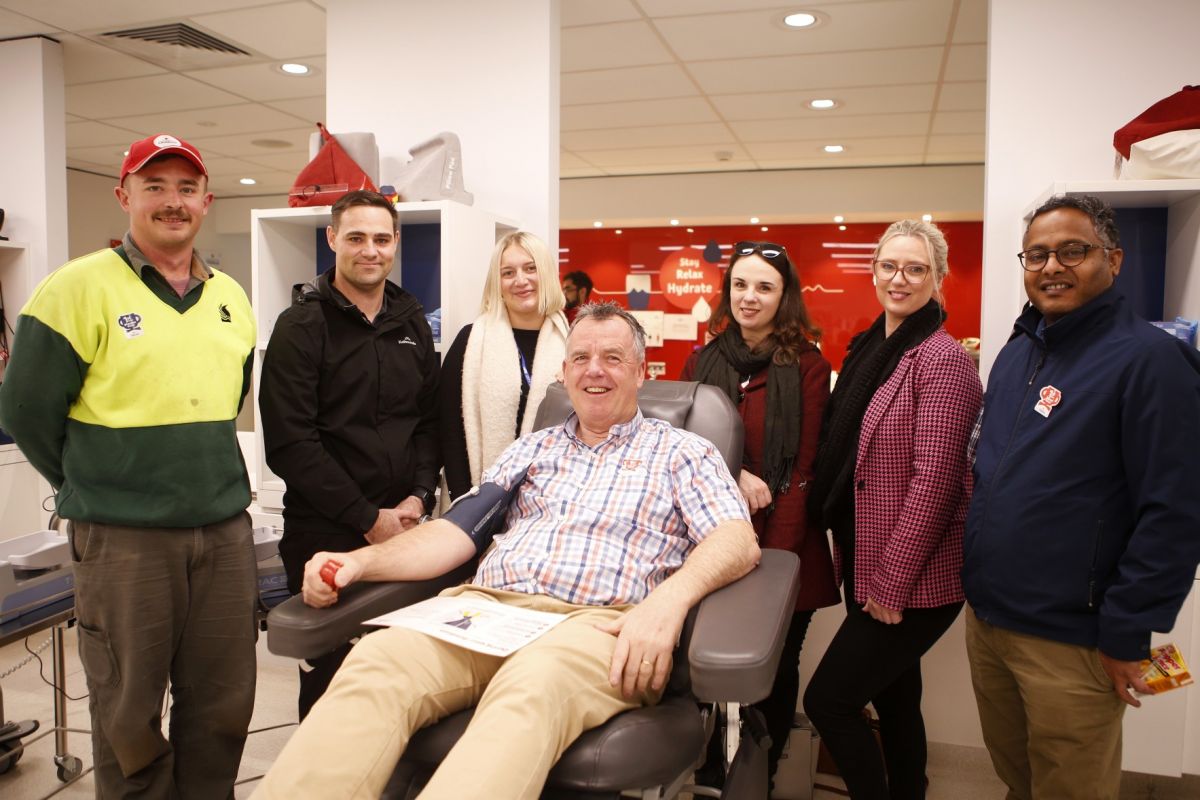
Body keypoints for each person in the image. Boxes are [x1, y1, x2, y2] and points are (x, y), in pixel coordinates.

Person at [251, 302, 760, 799]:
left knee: (531, 688)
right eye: (581, 358)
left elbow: (736, 539)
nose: (595, 371)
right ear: (564, 373)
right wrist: (360, 562)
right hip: (484, 611)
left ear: (641, 372)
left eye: (613, 358)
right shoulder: (531, 449)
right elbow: (454, 533)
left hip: (597, 625)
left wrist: (666, 606)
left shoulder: (682, 452)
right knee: (378, 662)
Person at [0, 134, 257, 798]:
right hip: (125, 540)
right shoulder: (75, 289)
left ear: (206, 200)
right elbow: (26, 413)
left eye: (185, 188)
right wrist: (96, 481)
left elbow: (233, 398)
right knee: (128, 713)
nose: (172, 202)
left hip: (224, 534)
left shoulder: (230, 297)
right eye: (154, 187)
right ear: (125, 196)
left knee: (224, 705)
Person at [963, 195, 1200, 800]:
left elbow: (1174, 512)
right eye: (1037, 254)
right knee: (1017, 777)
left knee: (1071, 789)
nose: (1051, 267)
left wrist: (1128, 632)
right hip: (990, 622)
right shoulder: (1019, 351)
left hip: (1074, 641)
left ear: (1113, 260)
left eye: (1074, 251)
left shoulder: (1151, 362)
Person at [804, 219, 982, 800]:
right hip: (865, 556)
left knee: (828, 701)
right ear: (874, 270)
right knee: (897, 701)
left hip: (912, 578)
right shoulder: (870, 349)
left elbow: (936, 484)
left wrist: (892, 583)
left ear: (938, 278)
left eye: (915, 268)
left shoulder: (943, 361)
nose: (899, 279)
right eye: (888, 266)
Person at [259, 189, 440, 719]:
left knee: (398, 672)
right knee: (331, 682)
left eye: (382, 239)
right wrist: (366, 520)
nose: (370, 250)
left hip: (405, 529)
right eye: (356, 237)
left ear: (396, 244)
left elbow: (426, 422)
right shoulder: (301, 327)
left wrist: (419, 494)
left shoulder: (409, 322)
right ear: (333, 239)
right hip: (327, 533)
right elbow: (291, 444)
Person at [680, 240, 839, 785]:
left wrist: (776, 558)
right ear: (727, 291)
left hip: (787, 536)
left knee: (776, 660)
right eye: (741, 285)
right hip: (709, 534)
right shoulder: (701, 361)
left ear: (784, 296)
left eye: (765, 287)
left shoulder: (810, 367)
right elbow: (682, 451)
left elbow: (807, 465)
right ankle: (706, 771)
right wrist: (734, 472)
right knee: (702, 657)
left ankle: (762, 774)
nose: (750, 297)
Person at [438, 231, 567, 502]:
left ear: (545, 273)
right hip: (476, 496)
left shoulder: (573, 344)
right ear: (497, 283)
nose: (521, 280)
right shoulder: (470, 340)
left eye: (530, 268)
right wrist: (466, 500)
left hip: (553, 501)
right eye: (508, 273)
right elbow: (448, 427)